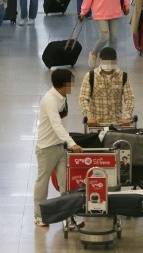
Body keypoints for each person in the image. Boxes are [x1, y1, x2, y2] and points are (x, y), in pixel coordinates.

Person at [33, 69, 84, 227]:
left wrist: (66, 144)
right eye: (71, 81)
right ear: (64, 84)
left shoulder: (63, 97)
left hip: (60, 148)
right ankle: (39, 215)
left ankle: (69, 217)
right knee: (43, 182)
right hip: (46, 149)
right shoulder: (50, 100)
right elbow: (56, 124)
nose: (72, 85)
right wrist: (72, 143)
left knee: (65, 183)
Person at [79, 47, 135, 125]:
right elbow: (83, 98)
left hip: (117, 125)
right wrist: (90, 117)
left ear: (116, 61)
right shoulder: (90, 76)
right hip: (96, 125)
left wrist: (127, 117)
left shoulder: (123, 76)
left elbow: (129, 98)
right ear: (100, 60)